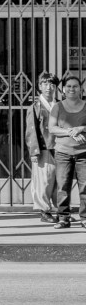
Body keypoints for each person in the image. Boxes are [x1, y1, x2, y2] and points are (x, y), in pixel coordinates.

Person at [48, 75, 86, 229]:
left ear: (81, 89)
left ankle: (84, 218)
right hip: (63, 152)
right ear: (63, 90)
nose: (72, 89)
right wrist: (71, 132)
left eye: (75, 86)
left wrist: (81, 128)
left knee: (85, 186)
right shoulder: (57, 107)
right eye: (68, 86)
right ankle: (64, 218)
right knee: (63, 186)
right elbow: (52, 128)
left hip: (84, 152)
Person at [25, 72, 59, 223]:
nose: (49, 87)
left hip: (60, 148)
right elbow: (31, 131)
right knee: (44, 181)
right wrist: (34, 151)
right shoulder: (35, 107)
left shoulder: (60, 105)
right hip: (44, 148)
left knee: (60, 181)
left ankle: (61, 210)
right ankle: (44, 210)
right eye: (45, 84)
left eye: (52, 84)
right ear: (39, 86)